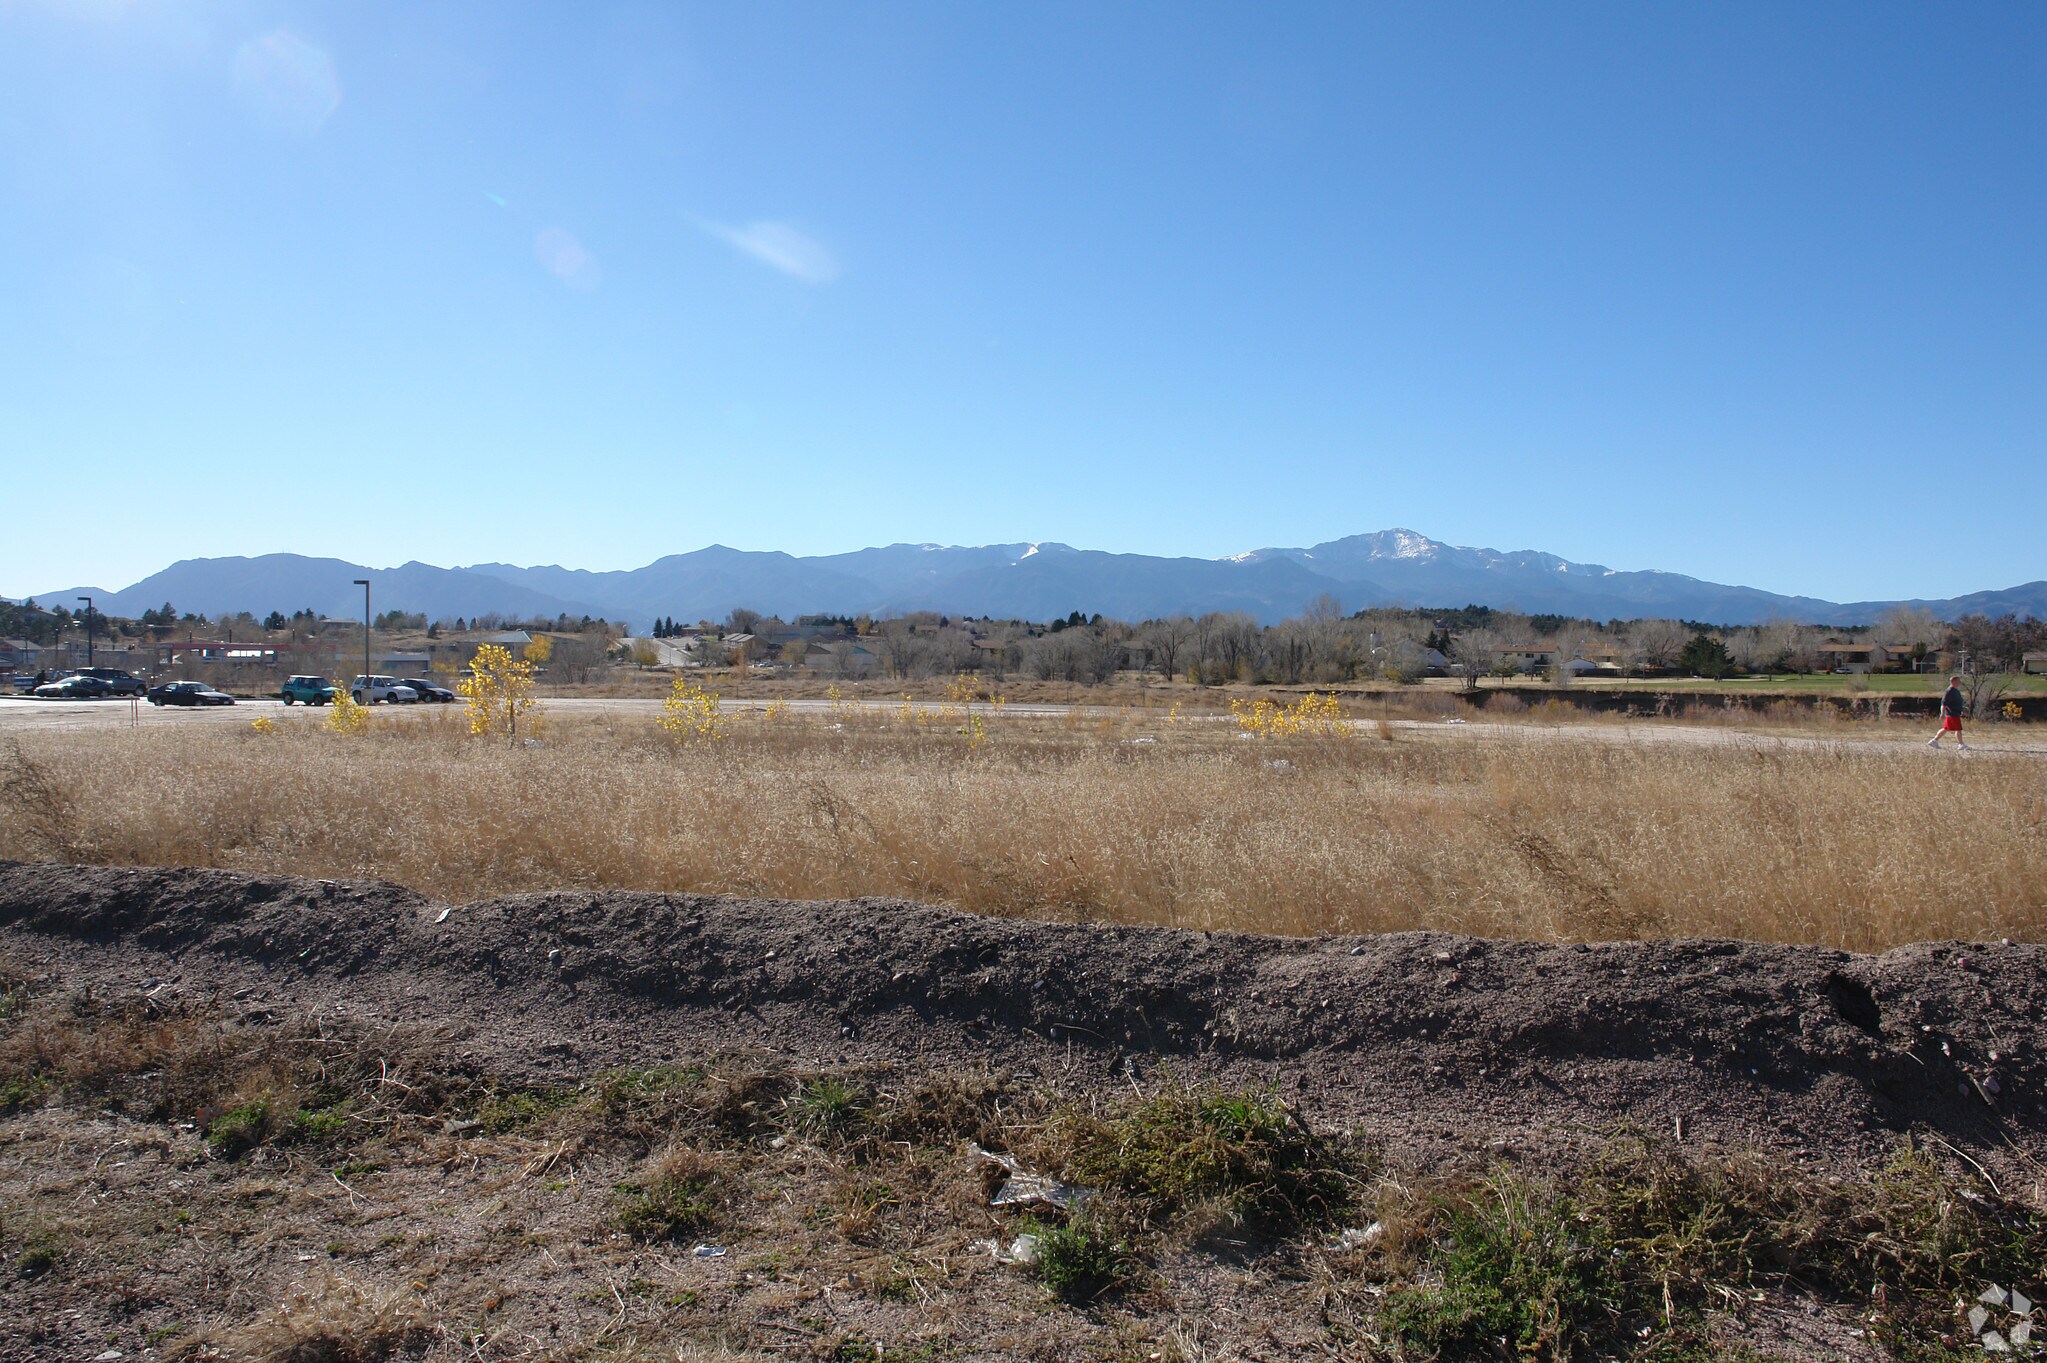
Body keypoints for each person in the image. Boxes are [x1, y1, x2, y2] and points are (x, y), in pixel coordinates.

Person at [1928, 675, 1968, 750]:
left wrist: (1961, 710)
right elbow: (1944, 703)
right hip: (1952, 714)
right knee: (1958, 729)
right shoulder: (1949, 691)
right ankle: (1961, 744)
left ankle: (1934, 741)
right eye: (1958, 681)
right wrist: (1942, 713)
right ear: (1953, 682)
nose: (1960, 682)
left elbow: (1957, 702)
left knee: (1945, 728)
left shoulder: (1955, 691)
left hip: (1956, 713)